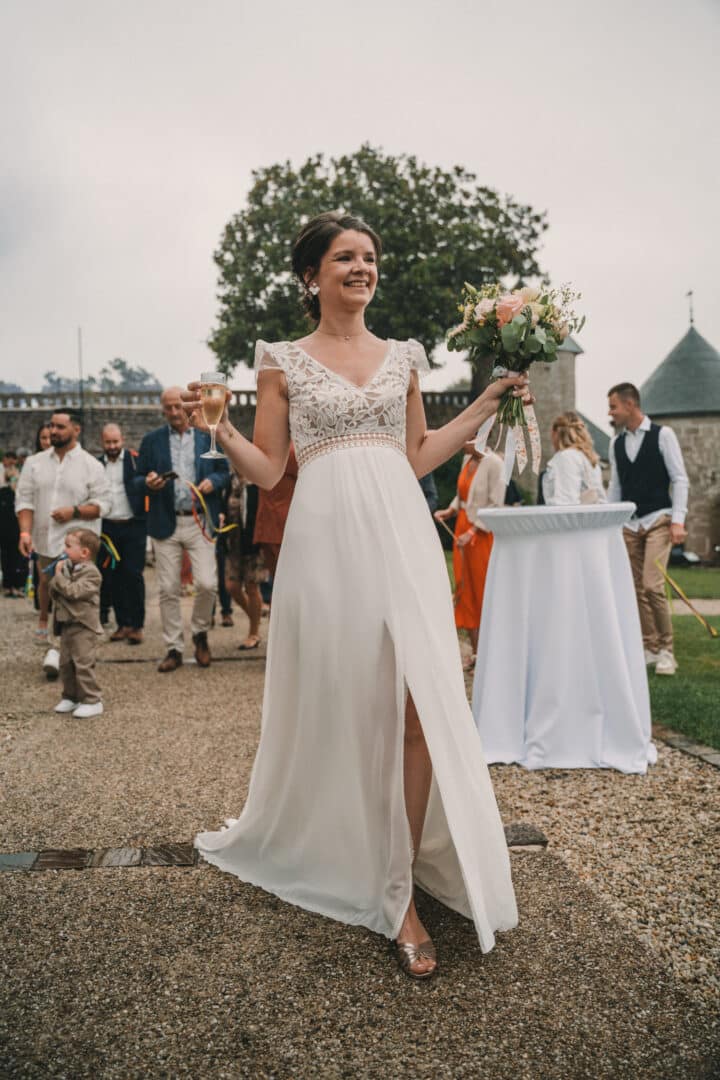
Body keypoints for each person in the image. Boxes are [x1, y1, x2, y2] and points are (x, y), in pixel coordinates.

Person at [189, 211, 529, 979]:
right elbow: (273, 471)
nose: (362, 268)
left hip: (403, 535)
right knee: (354, 702)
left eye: (369, 257)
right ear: (313, 275)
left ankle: (398, 880)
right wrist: (221, 430)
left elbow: (415, 455)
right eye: (345, 257)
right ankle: (357, 860)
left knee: (419, 704)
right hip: (326, 541)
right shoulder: (280, 359)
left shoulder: (402, 355)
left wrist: (483, 404)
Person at [133, 387, 229, 672]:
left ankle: (200, 633)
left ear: (186, 406)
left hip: (200, 520)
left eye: (177, 406)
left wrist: (214, 481)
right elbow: (137, 480)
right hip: (166, 521)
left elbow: (225, 472)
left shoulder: (207, 435)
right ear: (162, 410)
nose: (174, 413)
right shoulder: (152, 441)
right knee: (168, 588)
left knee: (207, 584)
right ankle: (174, 647)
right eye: (168, 408)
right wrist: (148, 481)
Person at [15, 410, 110, 679]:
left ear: (76, 429)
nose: (53, 431)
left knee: (72, 595)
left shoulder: (91, 465)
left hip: (76, 548)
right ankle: (62, 648)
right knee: (51, 590)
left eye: (60, 426)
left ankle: (59, 651)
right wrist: (24, 533)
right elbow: (24, 501)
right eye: (52, 426)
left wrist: (75, 512)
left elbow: (105, 504)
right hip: (44, 541)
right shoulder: (34, 463)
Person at [608, 382, 689, 676]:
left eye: (613, 406)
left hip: (658, 519)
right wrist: (609, 524)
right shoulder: (615, 442)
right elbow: (615, 487)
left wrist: (678, 519)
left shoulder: (663, 435)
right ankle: (649, 648)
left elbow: (679, 479)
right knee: (635, 590)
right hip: (629, 524)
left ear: (630, 405)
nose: (610, 412)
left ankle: (667, 651)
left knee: (653, 586)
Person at [434, 442, 505, 670]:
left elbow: (497, 504)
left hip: (481, 534)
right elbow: (462, 495)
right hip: (461, 530)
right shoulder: (467, 460)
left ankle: (490, 655)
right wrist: (450, 510)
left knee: (481, 591)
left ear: (480, 437)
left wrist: (474, 530)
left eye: (468, 437)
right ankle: (475, 653)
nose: (461, 442)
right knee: (465, 591)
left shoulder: (494, 463)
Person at [98, 423, 147, 644]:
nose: (112, 446)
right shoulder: (97, 465)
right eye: (108, 442)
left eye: (115, 442)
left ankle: (137, 626)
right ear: (102, 442)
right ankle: (122, 624)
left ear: (123, 440)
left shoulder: (136, 460)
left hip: (133, 525)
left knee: (133, 576)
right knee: (112, 577)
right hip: (108, 526)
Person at [49, 528, 104, 718]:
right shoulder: (66, 569)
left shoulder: (92, 573)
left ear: (84, 552)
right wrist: (58, 578)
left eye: (68, 546)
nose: (64, 550)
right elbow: (55, 591)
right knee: (66, 663)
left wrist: (58, 577)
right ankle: (70, 696)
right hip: (66, 623)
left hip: (83, 625)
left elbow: (74, 592)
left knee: (83, 663)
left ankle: (92, 699)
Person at [222, 470, 265, 649]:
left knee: (252, 586)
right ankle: (255, 617)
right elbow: (223, 504)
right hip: (233, 541)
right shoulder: (229, 480)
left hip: (252, 541)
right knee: (231, 586)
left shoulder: (256, 481)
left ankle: (253, 633)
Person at [253, 443, 298, 579]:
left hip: (272, 525)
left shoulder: (270, 449)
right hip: (278, 526)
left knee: (282, 581)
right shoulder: (289, 451)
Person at [542, 412, 606, 506]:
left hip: (574, 519)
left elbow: (565, 502)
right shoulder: (588, 458)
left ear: (555, 433)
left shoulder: (566, 457)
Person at [0, 451, 26, 597]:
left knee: (16, 552)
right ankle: (8, 585)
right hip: (3, 519)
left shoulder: (18, 474)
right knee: (5, 554)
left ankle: (17, 584)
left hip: (15, 518)